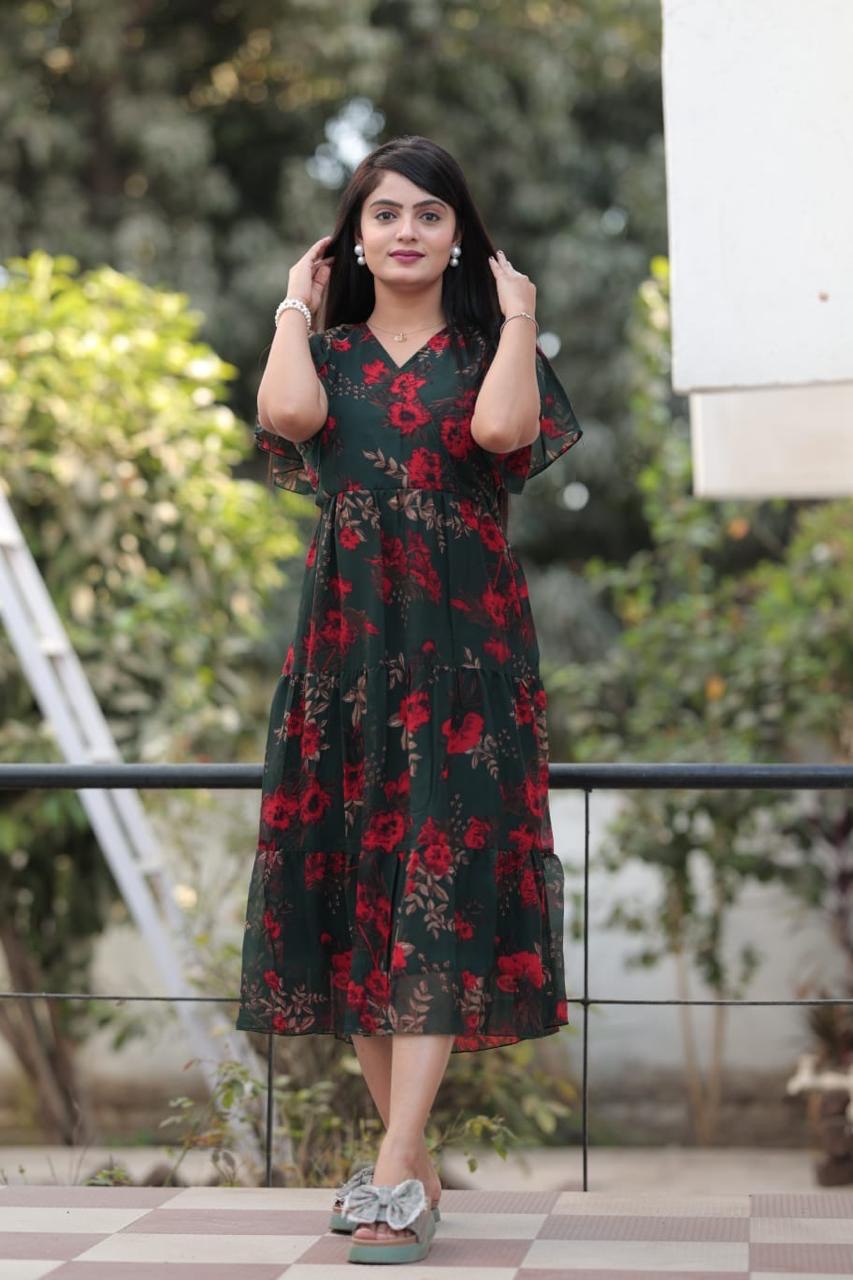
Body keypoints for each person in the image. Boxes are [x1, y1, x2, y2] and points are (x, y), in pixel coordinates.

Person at [236, 134, 583, 1264]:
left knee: (435, 886)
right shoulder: (325, 351)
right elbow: (287, 417)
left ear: (459, 237)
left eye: (429, 214)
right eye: (383, 213)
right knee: (355, 894)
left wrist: (521, 317)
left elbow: (501, 433)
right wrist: (294, 305)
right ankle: (410, 1169)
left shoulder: (488, 348)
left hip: (464, 656)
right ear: (352, 235)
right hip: (344, 656)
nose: (405, 232)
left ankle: (389, 1171)